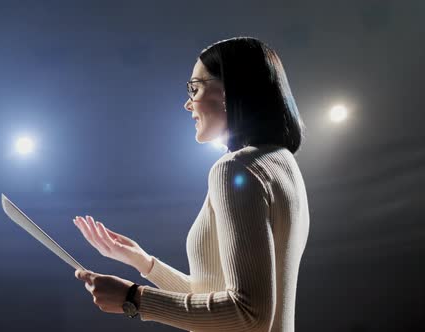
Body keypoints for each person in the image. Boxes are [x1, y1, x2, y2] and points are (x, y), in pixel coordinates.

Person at [73, 36, 309, 332]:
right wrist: (144, 263)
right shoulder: (282, 163)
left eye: (195, 88)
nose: (188, 103)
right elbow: (217, 298)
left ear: (230, 91)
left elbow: (249, 313)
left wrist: (134, 298)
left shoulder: (235, 169)